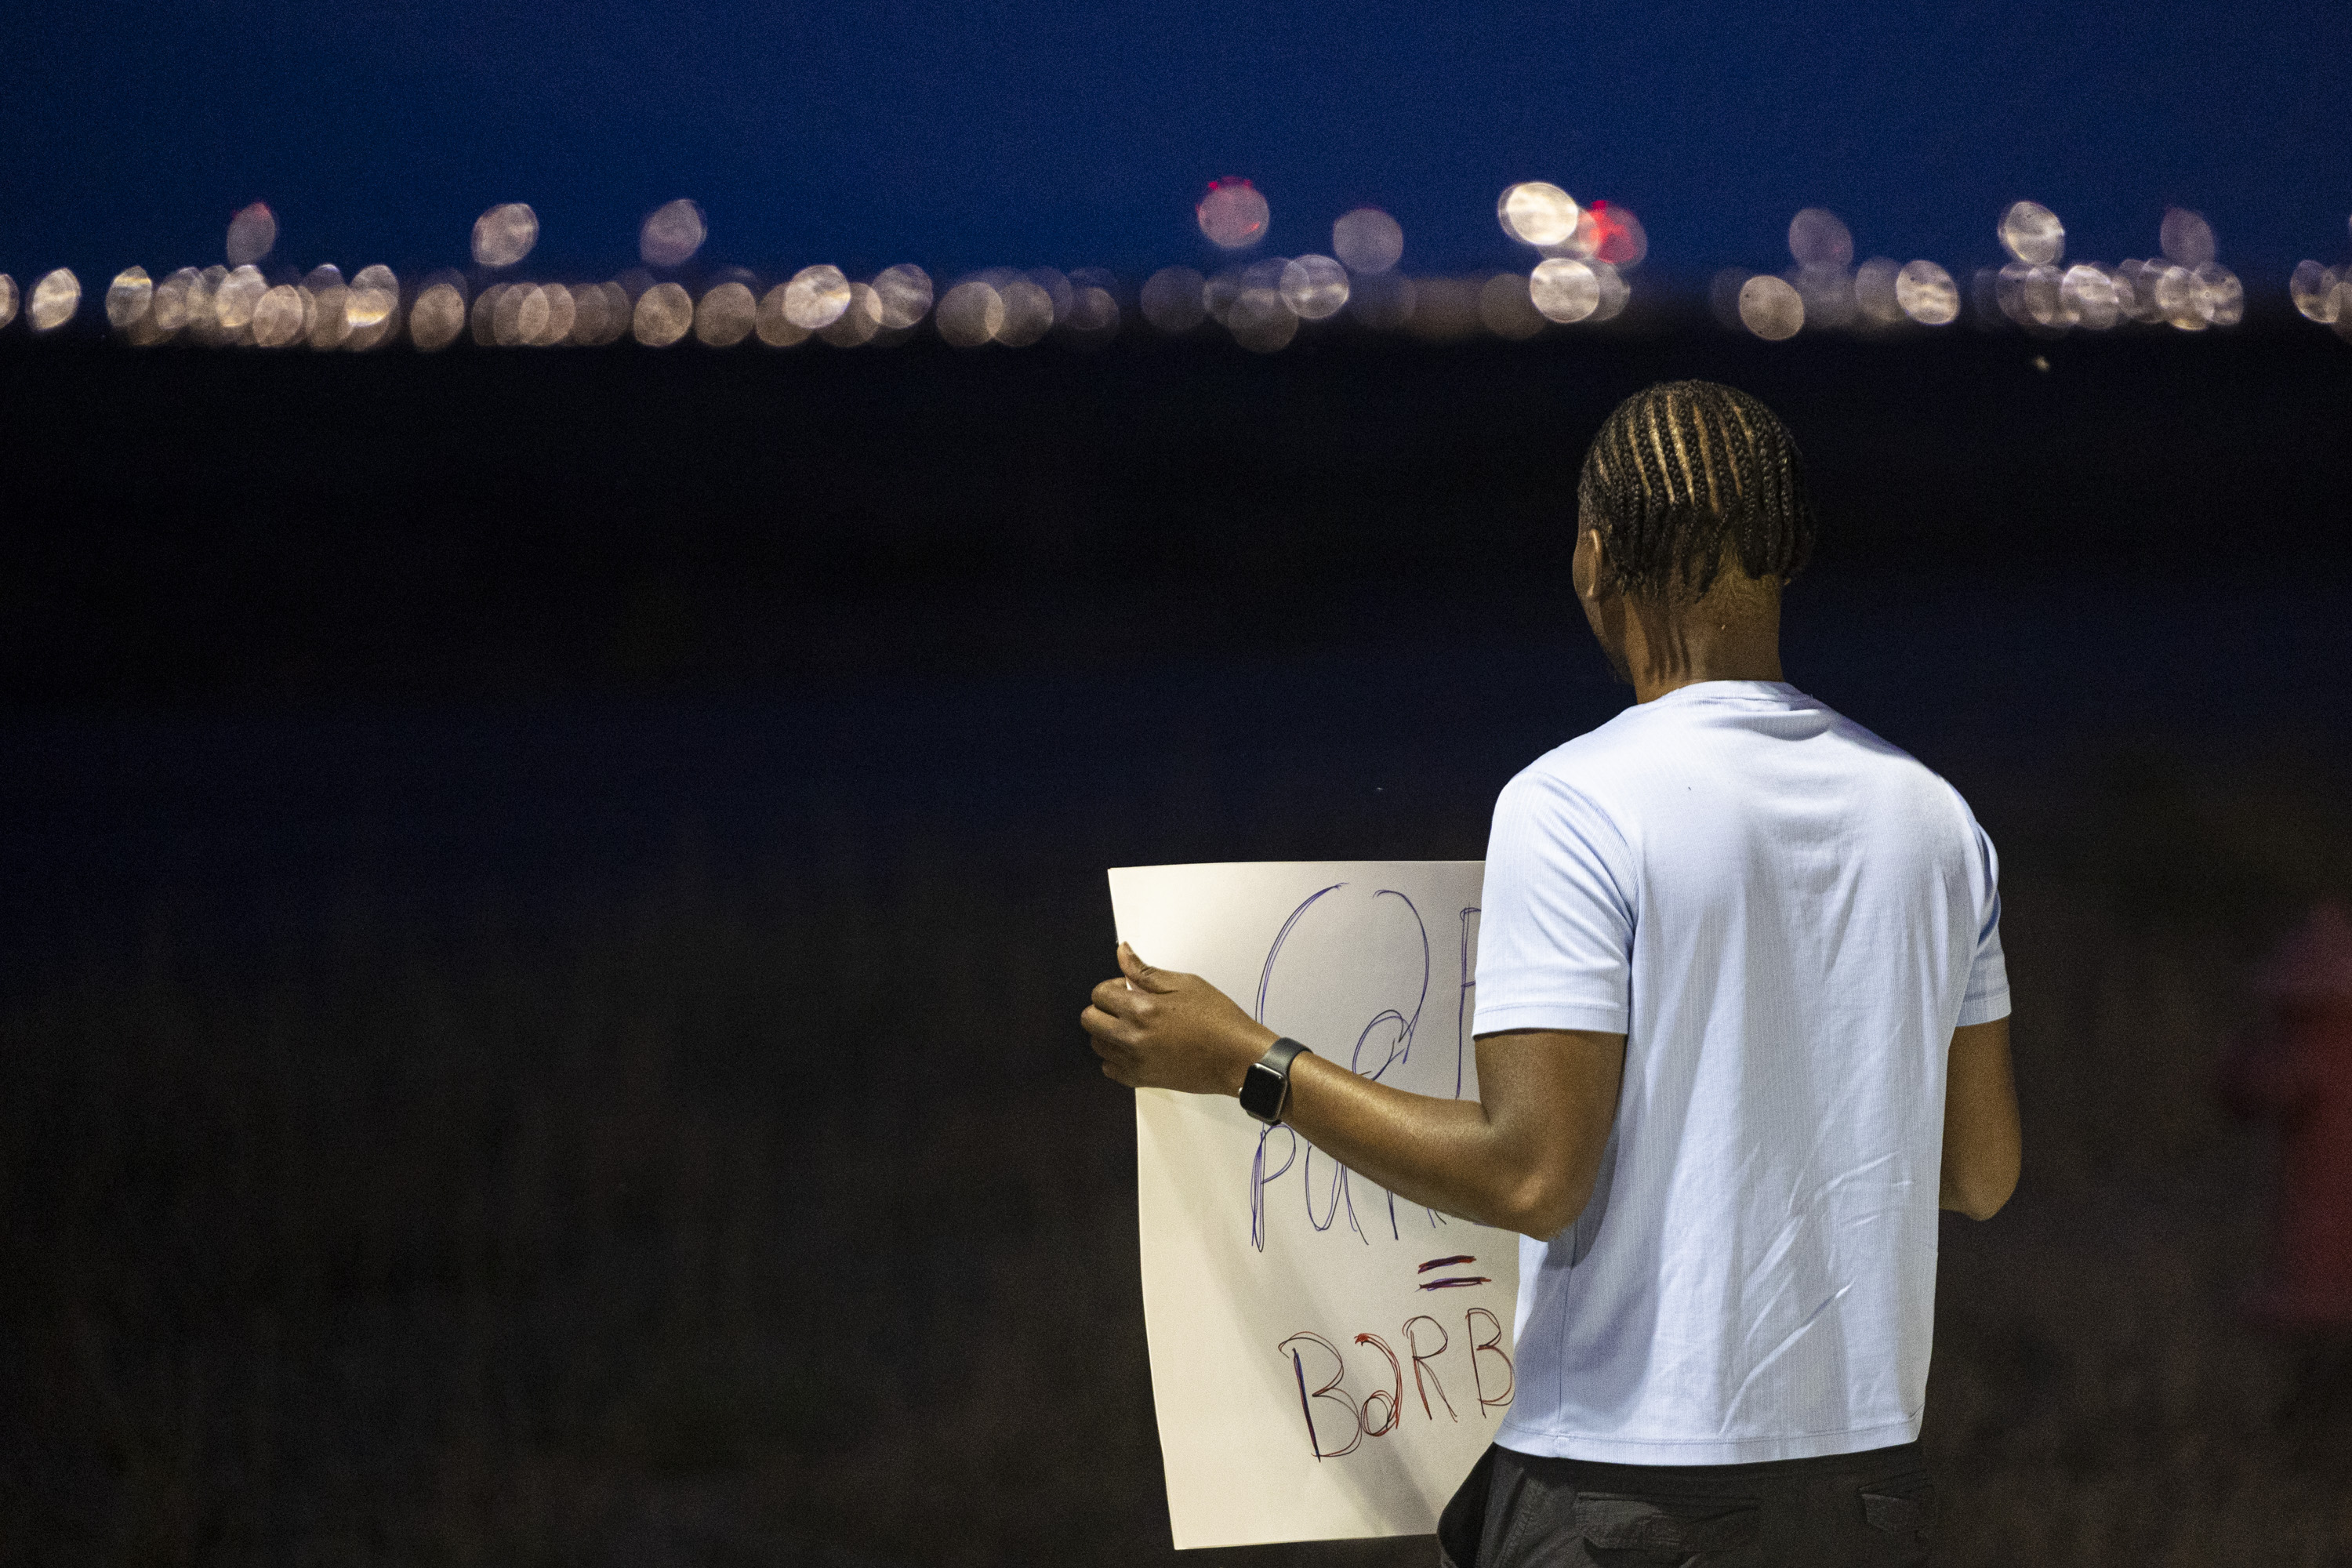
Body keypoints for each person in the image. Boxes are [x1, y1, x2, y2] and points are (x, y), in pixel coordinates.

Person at [1080, 380, 2020, 1567]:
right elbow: (1980, 1174)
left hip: (1623, 1498)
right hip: (1863, 1488)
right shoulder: (1935, 817)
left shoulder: (1574, 805)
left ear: (1594, 559)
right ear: (1786, 550)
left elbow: (1532, 1176)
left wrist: (1246, 1062)